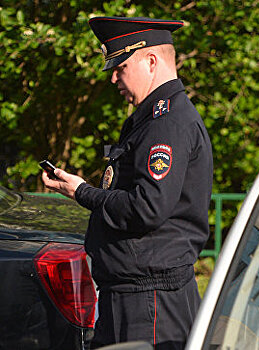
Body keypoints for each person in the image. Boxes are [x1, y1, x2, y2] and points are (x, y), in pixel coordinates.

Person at [42, 16, 213, 350]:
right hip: (136, 294)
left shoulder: (167, 122)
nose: (114, 79)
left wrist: (83, 192)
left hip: (150, 301)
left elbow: (145, 208)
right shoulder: (154, 118)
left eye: (120, 67)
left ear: (151, 61)